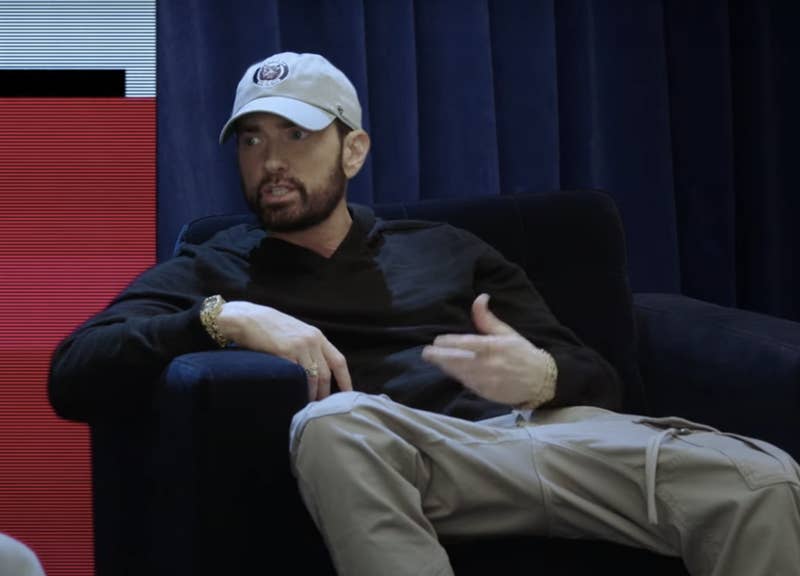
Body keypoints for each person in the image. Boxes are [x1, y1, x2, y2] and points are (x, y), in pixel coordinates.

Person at [49, 52, 800, 575]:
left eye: (296, 135)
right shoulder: (216, 265)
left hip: (543, 440)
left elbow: (597, 380)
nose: (270, 160)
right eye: (251, 140)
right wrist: (226, 317)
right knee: (332, 423)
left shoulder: (447, 249)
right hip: (408, 459)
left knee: (762, 481)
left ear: (354, 150)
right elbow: (73, 373)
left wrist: (539, 374)